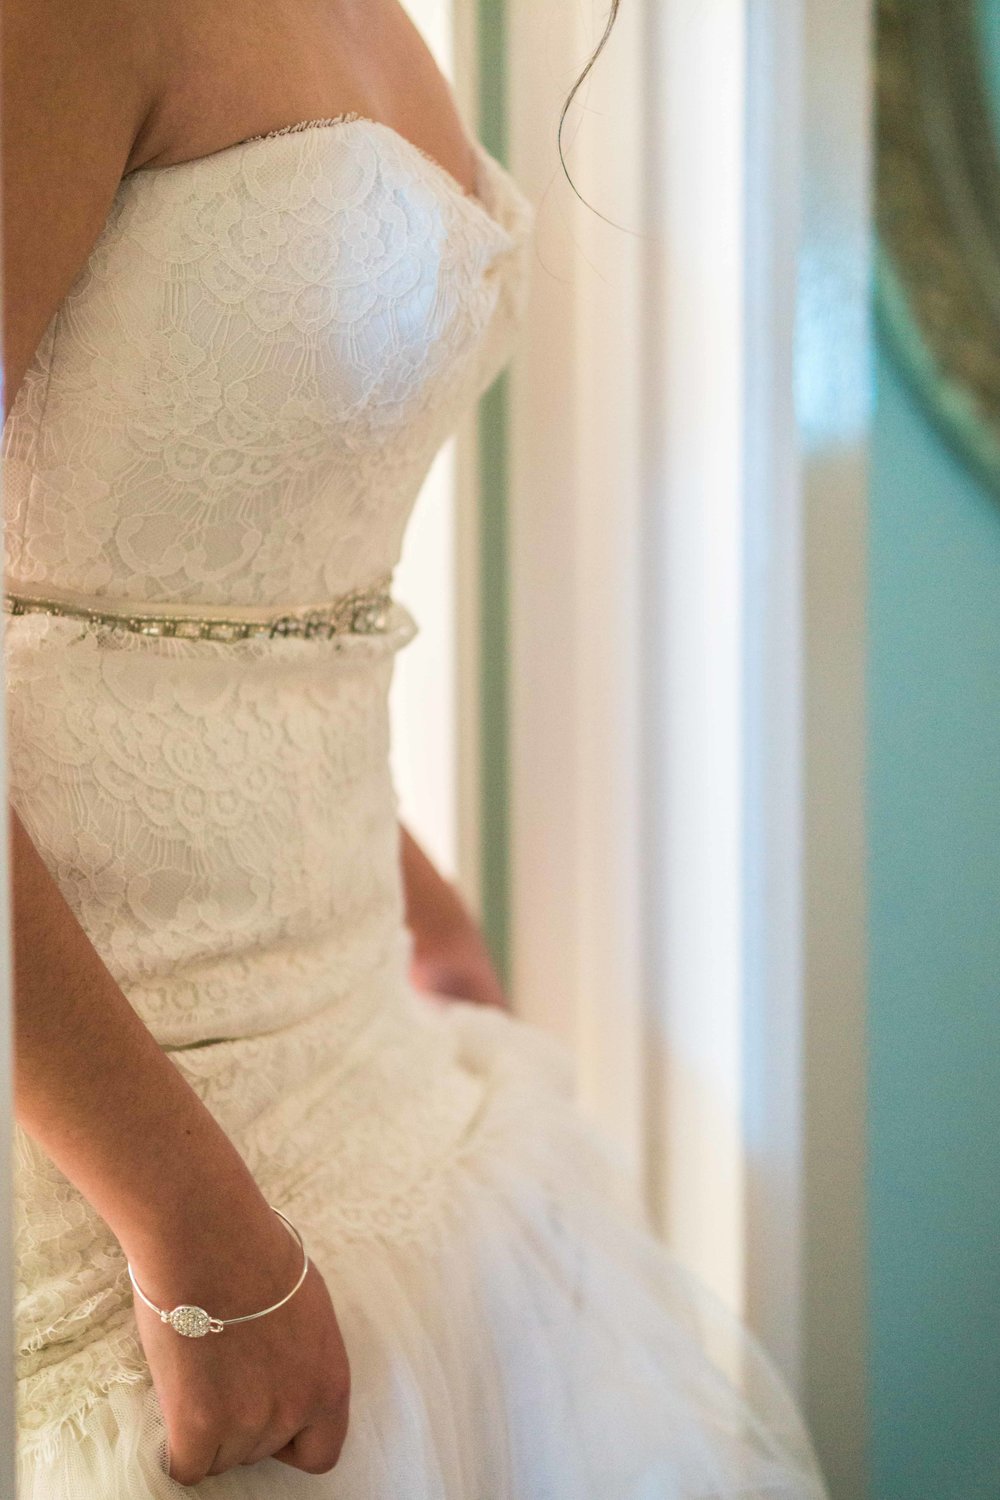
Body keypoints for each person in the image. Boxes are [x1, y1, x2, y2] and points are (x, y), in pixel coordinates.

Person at [3, 0, 831, 1494]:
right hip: (108, 1161)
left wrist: (400, 878)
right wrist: (187, 1221)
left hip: (361, 1054)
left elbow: (176, 591)